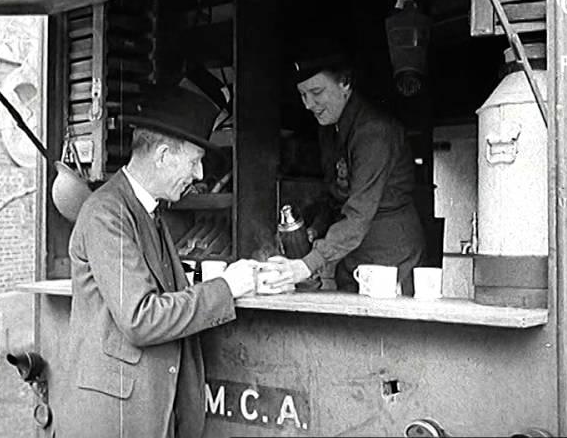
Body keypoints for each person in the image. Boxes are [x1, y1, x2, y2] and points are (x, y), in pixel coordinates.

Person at [57, 85, 287, 438]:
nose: (198, 175)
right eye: (194, 161)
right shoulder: (107, 213)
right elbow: (141, 318)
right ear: (163, 155)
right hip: (114, 420)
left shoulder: (147, 212)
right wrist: (226, 287)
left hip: (143, 412)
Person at [268, 50, 427, 296]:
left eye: (317, 92)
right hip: (354, 254)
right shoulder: (331, 129)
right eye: (303, 95)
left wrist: (306, 264)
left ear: (345, 82)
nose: (309, 104)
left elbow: (359, 213)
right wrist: (317, 229)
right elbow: (335, 196)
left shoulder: (374, 133)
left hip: (391, 253)